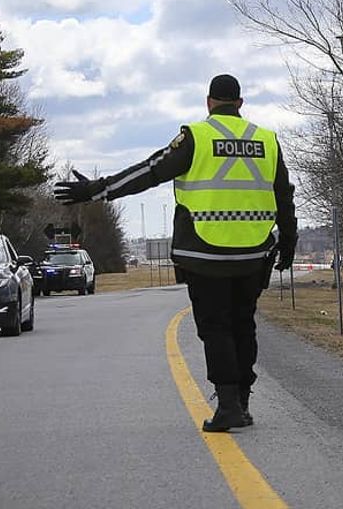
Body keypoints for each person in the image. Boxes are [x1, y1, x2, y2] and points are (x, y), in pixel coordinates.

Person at [54, 74, 297, 432]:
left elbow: (149, 172)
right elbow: (284, 197)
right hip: (253, 254)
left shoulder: (196, 137)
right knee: (243, 325)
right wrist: (288, 243)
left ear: (209, 102)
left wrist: (97, 191)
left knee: (215, 328)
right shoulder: (267, 140)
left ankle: (228, 404)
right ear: (240, 104)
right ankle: (243, 403)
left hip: (205, 253)